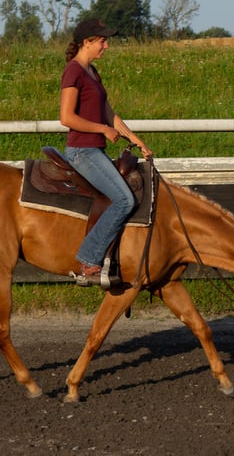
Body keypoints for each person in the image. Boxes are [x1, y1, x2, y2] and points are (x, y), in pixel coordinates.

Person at [59, 18, 152, 283]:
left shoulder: (92, 73)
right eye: (102, 41)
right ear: (87, 42)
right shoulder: (74, 71)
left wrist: (135, 139)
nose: (106, 46)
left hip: (93, 149)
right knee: (124, 200)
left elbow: (109, 113)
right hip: (81, 151)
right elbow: (66, 117)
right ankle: (89, 259)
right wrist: (101, 129)